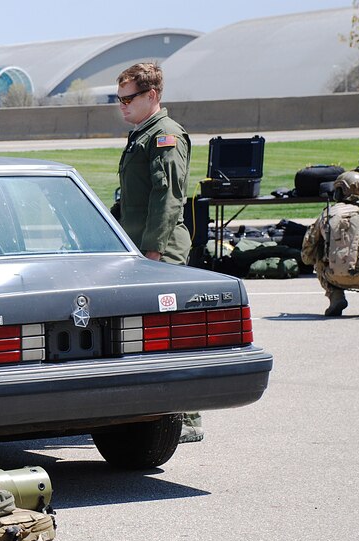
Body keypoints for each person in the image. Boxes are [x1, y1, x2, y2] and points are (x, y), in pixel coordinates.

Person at [115, 63, 201, 443]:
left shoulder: (165, 135)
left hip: (160, 251)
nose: (122, 105)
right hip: (139, 249)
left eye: (129, 98)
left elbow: (167, 200)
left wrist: (152, 252)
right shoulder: (142, 135)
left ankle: (189, 417)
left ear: (152, 95)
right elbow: (132, 201)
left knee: (172, 332)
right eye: (118, 99)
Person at [301, 170, 359, 318]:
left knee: (319, 253)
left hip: (334, 275)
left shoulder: (328, 213)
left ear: (342, 191)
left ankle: (335, 295)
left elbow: (307, 254)